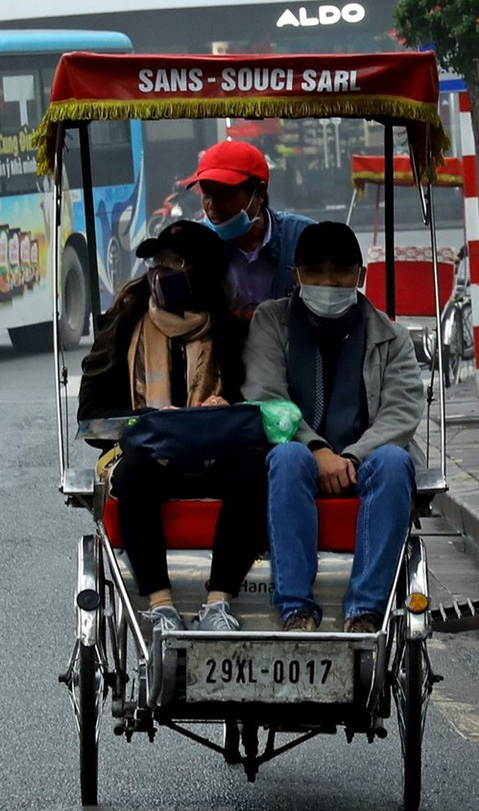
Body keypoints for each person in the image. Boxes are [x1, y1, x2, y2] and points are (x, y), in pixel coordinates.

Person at [77, 221, 268, 632]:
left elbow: (264, 409)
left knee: (255, 467)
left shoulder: (236, 334)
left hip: (217, 461)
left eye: (174, 262)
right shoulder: (121, 327)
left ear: (201, 274)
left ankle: (218, 605)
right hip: (151, 462)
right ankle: (161, 607)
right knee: (134, 472)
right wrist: (148, 422)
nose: (160, 271)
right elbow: (91, 421)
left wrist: (226, 408)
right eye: (156, 261)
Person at [241, 221, 422, 633]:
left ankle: (365, 611)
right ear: (296, 276)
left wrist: (351, 457)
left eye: (340, 272)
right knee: (286, 457)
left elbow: (401, 412)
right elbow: (266, 396)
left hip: (366, 459)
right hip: (299, 454)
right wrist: (317, 449)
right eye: (315, 273)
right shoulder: (271, 322)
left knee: (396, 462)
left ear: (360, 276)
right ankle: (296, 610)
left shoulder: (391, 336)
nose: (328, 283)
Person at [179, 140, 314, 321]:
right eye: (207, 194)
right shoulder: (193, 248)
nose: (212, 206)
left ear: (259, 192)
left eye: (224, 194)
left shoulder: (304, 238)